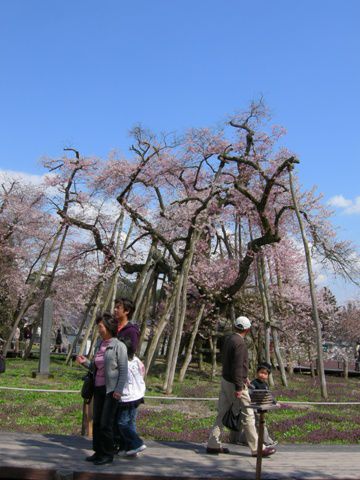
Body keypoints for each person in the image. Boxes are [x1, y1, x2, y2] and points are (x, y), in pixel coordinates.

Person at [206, 316, 276, 458]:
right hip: (235, 383)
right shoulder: (240, 343)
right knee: (248, 414)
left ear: (235, 326)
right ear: (248, 329)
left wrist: (244, 377)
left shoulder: (228, 339)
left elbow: (230, 363)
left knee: (222, 412)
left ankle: (213, 443)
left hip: (225, 380)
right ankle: (257, 448)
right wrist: (239, 386)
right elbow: (238, 367)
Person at [76, 312, 128, 465]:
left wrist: (118, 390)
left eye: (100, 326)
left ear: (108, 327)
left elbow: (123, 370)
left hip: (111, 391)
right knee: (97, 422)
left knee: (106, 423)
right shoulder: (100, 344)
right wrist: (86, 362)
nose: (98, 329)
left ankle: (108, 454)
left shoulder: (119, 346)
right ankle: (98, 452)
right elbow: (97, 367)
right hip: (98, 389)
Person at [232, 362, 277, 447]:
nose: (262, 375)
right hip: (255, 407)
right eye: (261, 373)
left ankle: (242, 439)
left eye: (265, 373)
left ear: (268, 375)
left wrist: (274, 402)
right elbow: (249, 393)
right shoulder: (254, 383)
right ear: (257, 373)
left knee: (252, 424)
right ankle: (267, 441)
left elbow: (268, 395)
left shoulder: (266, 385)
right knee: (261, 424)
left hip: (262, 407)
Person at [116, 337, 147, 456]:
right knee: (131, 422)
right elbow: (143, 372)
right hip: (138, 394)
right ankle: (131, 449)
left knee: (122, 423)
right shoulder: (137, 360)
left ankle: (137, 443)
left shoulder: (122, 362)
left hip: (127, 396)